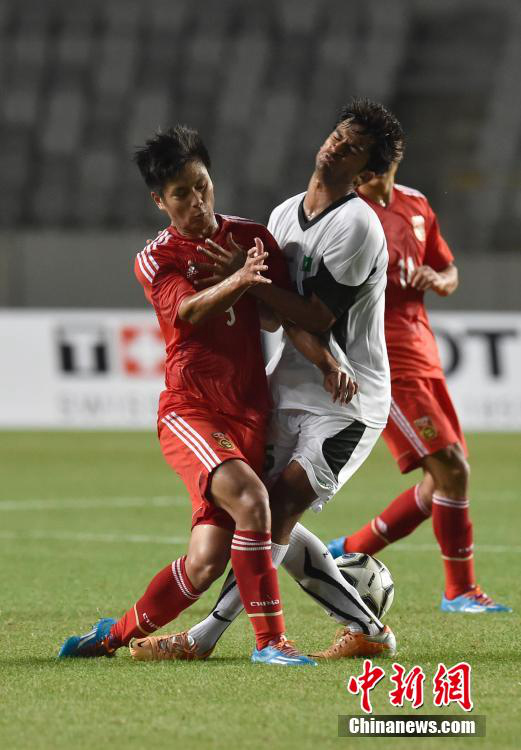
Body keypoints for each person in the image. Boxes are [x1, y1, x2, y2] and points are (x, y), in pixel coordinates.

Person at [58, 125, 355, 667]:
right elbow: (189, 311)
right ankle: (271, 644)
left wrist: (327, 360)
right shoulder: (157, 257)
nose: (196, 202)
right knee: (253, 501)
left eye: (201, 186)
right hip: (191, 410)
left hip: (249, 413)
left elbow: (277, 317)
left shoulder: (253, 237)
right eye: (180, 194)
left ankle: (112, 635)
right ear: (159, 200)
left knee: (205, 562)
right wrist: (240, 279)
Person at [128, 98, 406, 663]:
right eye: (338, 134)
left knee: (272, 509)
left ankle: (205, 637)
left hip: (346, 402)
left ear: (367, 173)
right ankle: (365, 626)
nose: (336, 145)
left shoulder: (357, 226)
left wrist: (243, 280)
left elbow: (318, 317)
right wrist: (244, 287)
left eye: (353, 148)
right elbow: (277, 316)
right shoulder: (281, 217)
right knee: (259, 514)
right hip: (287, 387)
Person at [327, 153, 511, 614]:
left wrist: (440, 280)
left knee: (441, 484)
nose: (364, 175)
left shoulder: (416, 205)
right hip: (382, 363)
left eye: (372, 165)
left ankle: (345, 550)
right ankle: (460, 591)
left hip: (424, 356)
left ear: (394, 160)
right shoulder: (349, 215)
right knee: (452, 471)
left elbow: (448, 270)